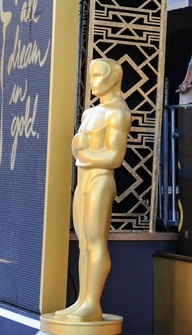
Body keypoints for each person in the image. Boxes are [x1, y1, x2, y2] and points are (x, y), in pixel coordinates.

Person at [54, 58, 130, 322]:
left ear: (113, 78)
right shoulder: (90, 113)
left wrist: (82, 152)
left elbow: (114, 157)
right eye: (91, 75)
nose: (91, 81)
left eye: (97, 75)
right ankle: (82, 300)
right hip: (83, 181)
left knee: (96, 241)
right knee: (84, 243)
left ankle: (92, 303)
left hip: (100, 180)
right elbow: (80, 149)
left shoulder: (118, 112)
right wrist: (81, 151)